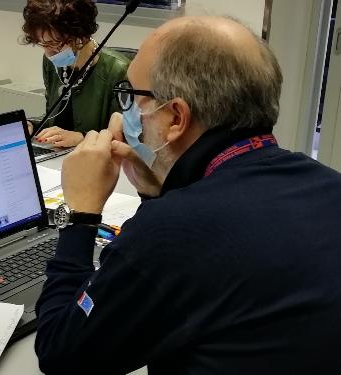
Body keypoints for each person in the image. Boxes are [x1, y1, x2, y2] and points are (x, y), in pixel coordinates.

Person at [34, 15, 341, 374]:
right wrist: (159, 193)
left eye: (132, 97)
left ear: (175, 117)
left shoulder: (172, 233)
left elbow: (61, 353)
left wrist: (80, 217)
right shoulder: (327, 185)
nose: (127, 113)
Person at [21, 0, 129, 148]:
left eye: (54, 44)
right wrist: (32, 125)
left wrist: (81, 138)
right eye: (42, 43)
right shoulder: (52, 64)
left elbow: (124, 137)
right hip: (58, 157)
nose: (48, 53)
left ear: (80, 36)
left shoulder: (119, 70)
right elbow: (54, 118)